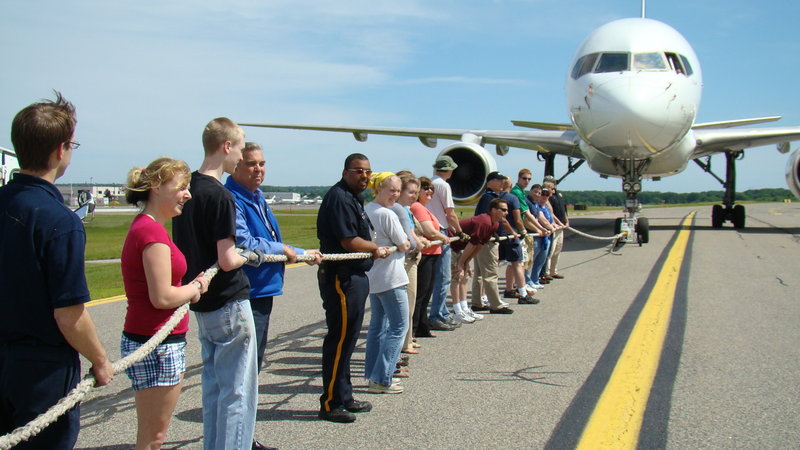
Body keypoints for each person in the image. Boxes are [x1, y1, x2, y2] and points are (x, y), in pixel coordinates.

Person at [0, 93, 114, 449]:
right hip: (42, 369)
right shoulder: (58, 221)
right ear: (61, 149)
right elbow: (69, 315)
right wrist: (99, 359)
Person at [172, 118, 269, 449]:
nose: (241, 157)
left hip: (203, 304)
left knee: (213, 386)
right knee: (237, 394)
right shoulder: (221, 195)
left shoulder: (188, 191)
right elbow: (227, 259)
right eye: (240, 148)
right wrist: (251, 255)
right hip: (229, 302)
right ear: (226, 146)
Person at [121, 158, 211, 449]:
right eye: (182, 187)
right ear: (157, 187)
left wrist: (187, 289)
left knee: (151, 436)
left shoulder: (149, 228)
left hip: (154, 338)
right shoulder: (152, 232)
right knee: (153, 438)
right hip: (157, 343)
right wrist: (195, 287)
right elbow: (162, 297)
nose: (188, 194)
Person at [225, 142, 322, 373]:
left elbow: (270, 239)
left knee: (253, 359)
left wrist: (301, 253)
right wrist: (288, 250)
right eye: (251, 164)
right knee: (244, 364)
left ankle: (246, 408)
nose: (258, 169)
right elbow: (244, 242)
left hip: (262, 288)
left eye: (262, 163)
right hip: (247, 289)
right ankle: (241, 410)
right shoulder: (232, 199)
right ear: (235, 167)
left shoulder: (256, 196)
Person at [317, 153, 389, 423]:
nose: (365, 176)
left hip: (356, 276)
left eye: (368, 171)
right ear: (346, 171)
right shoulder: (339, 197)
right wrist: (375, 248)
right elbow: (349, 241)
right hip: (341, 277)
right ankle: (330, 403)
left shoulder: (353, 198)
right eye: (359, 171)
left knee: (348, 341)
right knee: (339, 340)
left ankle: (344, 396)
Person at [364, 173, 411, 394]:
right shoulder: (386, 214)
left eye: (397, 190)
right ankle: (383, 378)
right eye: (391, 190)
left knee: (377, 326)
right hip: (391, 277)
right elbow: (403, 244)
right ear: (378, 189)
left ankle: (373, 374)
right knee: (399, 326)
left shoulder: (367, 210)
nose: (395, 195)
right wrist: (406, 242)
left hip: (374, 276)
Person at [451, 199, 510, 313]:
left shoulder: (495, 224)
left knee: (464, 277)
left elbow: (480, 244)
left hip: (460, 248)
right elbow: (472, 244)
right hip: (451, 246)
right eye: (503, 210)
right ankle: (458, 309)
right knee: (456, 277)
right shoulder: (484, 222)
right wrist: (461, 263)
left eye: (506, 210)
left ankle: (465, 307)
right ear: (493, 210)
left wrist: (467, 262)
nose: (506, 212)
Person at [410, 177, 453, 337]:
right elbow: (429, 231)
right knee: (420, 294)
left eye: (431, 189)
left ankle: (422, 326)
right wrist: (442, 238)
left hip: (433, 253)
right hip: (426, 255)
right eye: (425, 188)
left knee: (426, 293)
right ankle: (413, 330)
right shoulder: (418, 207)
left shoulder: (425, 207)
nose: (429, 191)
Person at [427, 155, 463, 328]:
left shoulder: (430, 183)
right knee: (444, 276)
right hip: (441, 229)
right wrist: (459, 231)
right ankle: (438, 314)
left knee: (436, 277)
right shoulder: (444, 185)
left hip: (429, 229)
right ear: (449, 170)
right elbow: (450, 213)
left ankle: (440, 312)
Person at [471, 172, 515, 314]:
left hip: (481, 238)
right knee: (490, 272)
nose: (502, 183)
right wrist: (493, 233)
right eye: (498, 180)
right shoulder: (489, 198)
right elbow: (486, 219)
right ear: (489, 182)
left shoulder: (490, 197)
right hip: (487, 240)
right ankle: (495, 304)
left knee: (479, 273)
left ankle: (477, 302)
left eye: (503, 180)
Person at [499, 176, 538, 305]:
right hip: (512, 234)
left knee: (504, 264)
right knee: (518, 263)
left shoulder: (495, 198)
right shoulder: (512, 198)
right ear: (510, 186)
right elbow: (518, 219)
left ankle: (509, 289)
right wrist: (522, 232)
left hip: (498, 234)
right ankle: (523, 293)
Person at [544, 177, 568, 280]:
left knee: (558, 249)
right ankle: (547, 272)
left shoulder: (559, 195)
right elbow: (551, 213)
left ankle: (554, 271)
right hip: (554, 226)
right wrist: (556, 223)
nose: (553, 185)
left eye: (553, 183)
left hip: (561, 226)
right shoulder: (547, 198)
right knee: (551, 250)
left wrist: (566, 220)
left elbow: (564, 209)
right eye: (550, 183)